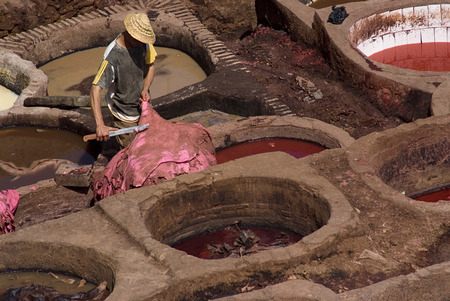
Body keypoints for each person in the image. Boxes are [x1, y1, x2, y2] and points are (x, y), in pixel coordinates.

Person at [90, 12, 157, 148]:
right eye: (139, 40)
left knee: (148, 147)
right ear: (130, 34)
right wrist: (100, 125)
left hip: (144, 107)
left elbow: (150, 66)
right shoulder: (113, 56)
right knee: (130, 152)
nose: (141, 43)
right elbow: (95, 89)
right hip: (125, 115)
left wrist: (145, 88)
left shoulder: (145, 44)